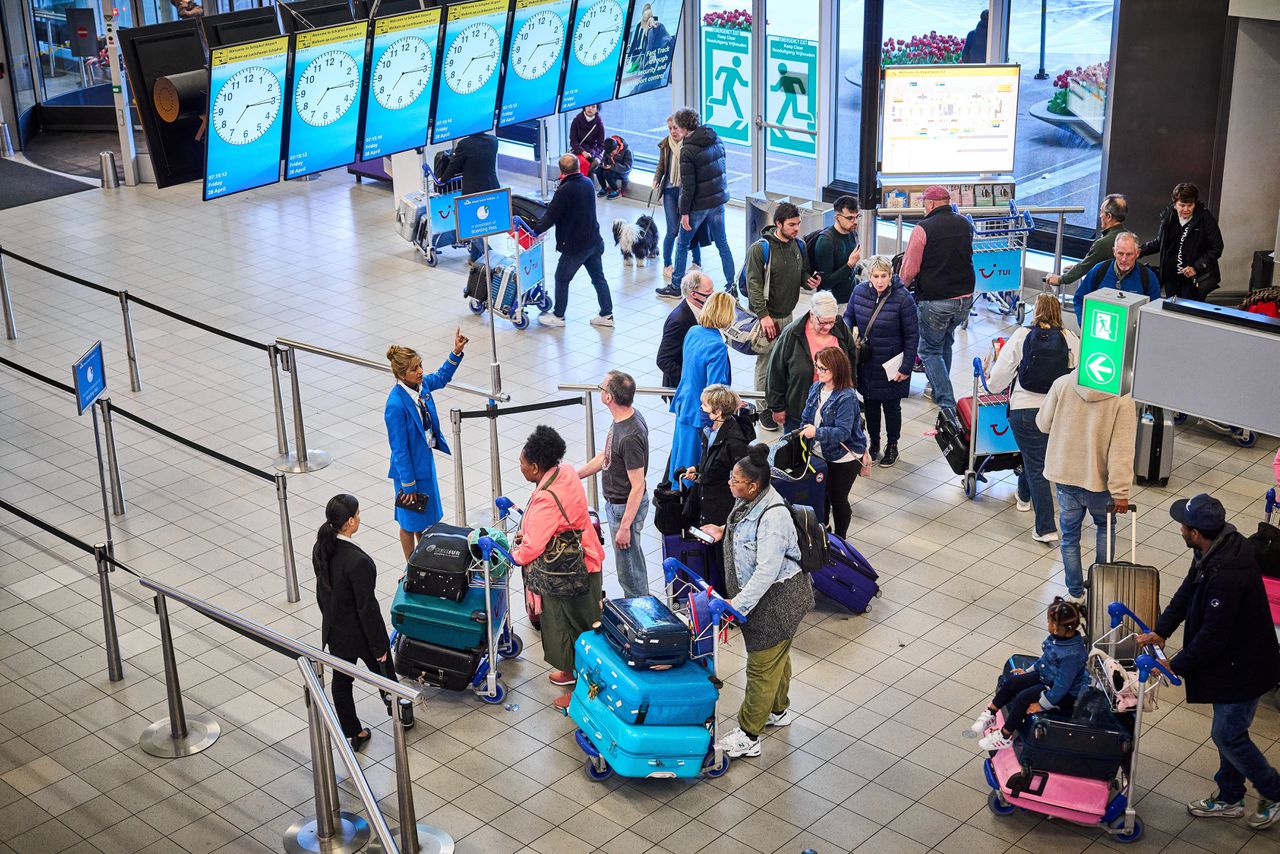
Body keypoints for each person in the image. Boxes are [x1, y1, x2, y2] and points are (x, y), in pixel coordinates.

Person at [1136, 494, 1280, 828]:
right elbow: (1187, 591)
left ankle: (1273, 791)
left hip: (1245, 668)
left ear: (1196, 533)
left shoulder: (1227, 574)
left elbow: (1214, 636)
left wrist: (1178, 663)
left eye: (1183, 526)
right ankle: (1230, 796)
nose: (1180, 529)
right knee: (1227, 731)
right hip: (1231, 663)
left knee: (1228, 734)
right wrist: (1161, 631)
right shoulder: (1214, 549)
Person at [700, 444, 814, 758]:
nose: (729, 483)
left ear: (753, 485)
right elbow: (747, 533)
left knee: (762, 666)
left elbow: (767, 570)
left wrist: (737, 605)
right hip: (768, 596)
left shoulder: (773, 516)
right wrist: (723, 531)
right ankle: (778, 710)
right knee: (779, 654)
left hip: (780, 600)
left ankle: (749, 735)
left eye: (735, 481)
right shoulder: (748, 501)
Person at [511, 426, 606, 710]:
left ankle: (583, 691)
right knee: (561, 622)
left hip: (571, 571)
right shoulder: (563, 472)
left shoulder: (545, 498)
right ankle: (568, 670)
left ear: (536, 467)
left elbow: (532, 548)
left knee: (579, 628)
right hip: (579, 559)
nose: (521, 468)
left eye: (523, 464)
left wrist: (513, 554)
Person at [311, 494, 403, 752]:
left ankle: (354, 731)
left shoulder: (321, 547)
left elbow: (323, 594)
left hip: (337, 633)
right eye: (358, 514)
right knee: (386, 677)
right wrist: (379, 646)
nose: (360, 518)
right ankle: (399, 716)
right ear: (350, 522)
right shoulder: (357, 561)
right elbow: (367, 609)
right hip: (363, 635)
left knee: (341, 683)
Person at [1036, 369, 1136, 604]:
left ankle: (1075, 593)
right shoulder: (1122, 397)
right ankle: (1100, 589)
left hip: (1065, 475)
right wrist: (1121, 491)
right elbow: (1122, 449)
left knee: (1069, 536)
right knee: (1104, 529)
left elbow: (1042, 423)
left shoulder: (1062, 383)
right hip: (1099, 482)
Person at [987, 293, 1081, 543]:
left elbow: (998, 380)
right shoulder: (1071, 339)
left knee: (1037, 464)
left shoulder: (1021, 335)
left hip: (1024, 410)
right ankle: (1024, 495)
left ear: (1035, 311)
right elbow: (1080, 379)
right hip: (1057, 412)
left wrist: (990, 385)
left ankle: (1046, 527)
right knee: (1037, 458)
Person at [385, 332, 468, 561]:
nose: (420, 371)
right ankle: (412, 564)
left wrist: (456, 352)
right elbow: (399, 449)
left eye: (420, 365)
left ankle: (426, 561)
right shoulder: (395, 405)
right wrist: (408, 485)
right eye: (414, 368)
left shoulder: (421, 387)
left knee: (425, 520)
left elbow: (441, 377)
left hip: (425, 465)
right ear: (402, 374)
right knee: (409, 522)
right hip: (408, 472)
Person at [972, 598, 1088, 751]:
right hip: (1046, 677)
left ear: (1054, 626)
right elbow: (1045, 660)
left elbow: (1062, 685)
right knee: (1013, 683)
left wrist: (1042, 704)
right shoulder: (1056, 639)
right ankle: (990, 713)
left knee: (1023, 697)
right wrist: (1027, 673)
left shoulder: (1072, 655)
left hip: (1061, 694)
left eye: (1048, 621)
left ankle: (1005, 736)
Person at [900, 185, 974, 415]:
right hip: (964, 298)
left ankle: (946, 400)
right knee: (946, 342)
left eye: (925, 203)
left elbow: (910, 268)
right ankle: (934, 387)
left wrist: (900, 287)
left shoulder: (923, 228)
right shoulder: (964, 223)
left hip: (936, 300)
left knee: (929, 350)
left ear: (930, 204)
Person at [577, 371, 650, 598]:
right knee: (630, 567)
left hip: (624, 508)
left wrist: (625, 528)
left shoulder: (629, 435)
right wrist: (575, 474)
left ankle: (641, 621)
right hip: (618, 506)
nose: (600, 390)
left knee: (630, 574)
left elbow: (637, 485)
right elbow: (606, 455)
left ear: (609, 397)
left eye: (602, 387)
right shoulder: (624, 419)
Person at [846, 256, 918, 468]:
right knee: (870, 405)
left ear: (891, 276)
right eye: (876, 276)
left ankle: (892, 445)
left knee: (891, 406)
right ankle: (874, 442)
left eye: (884, 276)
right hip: (867, 362)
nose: (880, 281)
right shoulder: (859, 292)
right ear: (869, 276)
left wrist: (906, 368)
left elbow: (913, 336)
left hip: (892, 364)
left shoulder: (903, 299)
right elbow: (849, 316)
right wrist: (849, 332)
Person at [747, 201, 823, 401]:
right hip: (767, 317)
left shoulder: (799, 244)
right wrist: (763, 316)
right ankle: (763, 407)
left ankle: (778, 402)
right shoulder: (761, 249)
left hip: (788, 315)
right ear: (778, 224)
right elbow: (753, 285)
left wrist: (809, 281)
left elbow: (802, 273)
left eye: (798, 224)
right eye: (791, 225)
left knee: (782, 362)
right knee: (765, 363)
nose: (796, 228)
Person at [534, 154, 614, 328]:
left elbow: (550, 217)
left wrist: (534, 230)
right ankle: (607, 314)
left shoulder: (564, 190)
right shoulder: (587, 182)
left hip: (576, 246)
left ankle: (559, 315)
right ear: (578, 167)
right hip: (594, 240)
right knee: (598, 278)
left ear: (562, 171)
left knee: (561, 278)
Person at [799, 347, 870, 539]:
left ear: (837, 370)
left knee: (837, 498)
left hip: (842, 457)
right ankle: (825, 532)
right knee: (821, 495)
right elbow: (806, 415)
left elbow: (843, 432)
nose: (819, 372)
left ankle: (841, 538)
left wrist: (816, 432)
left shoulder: (846, 397)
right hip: (818, 452)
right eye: (817, 367)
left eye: (824, 369)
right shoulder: (817, 387)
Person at [764, 291, 856, 434]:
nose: (828, 327)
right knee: (797, 454)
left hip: (836, 408)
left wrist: (852, 389)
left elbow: (851, 359)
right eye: (823, 322)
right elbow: (776, 371)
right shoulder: (792, 333)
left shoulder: (840, 327)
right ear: (812, 315)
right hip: (799, 409)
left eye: (831, 322)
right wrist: (777, 407)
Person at [667, 291, 736, 482]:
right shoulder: (717, 346)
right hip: (701, 415)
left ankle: (674, 500)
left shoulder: (693, 332)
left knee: (678, 463)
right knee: (692, 471)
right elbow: (715, 392)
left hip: (684, 405)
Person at [671, 108, 736, 292]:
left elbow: (688, 187)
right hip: (718, 201)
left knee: (682, 244)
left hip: (698, 205)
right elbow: (721, 168)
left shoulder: (687, 150)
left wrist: (684, 213)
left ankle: (676, 286)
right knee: (722, 243)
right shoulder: (716, 138)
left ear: (683, 127)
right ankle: (732, 285)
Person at [679, 384, 756, 528]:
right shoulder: (708, 431)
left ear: (718, 412)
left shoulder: (735, 443)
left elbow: (741, 481)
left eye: (705, 405)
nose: (701, 408)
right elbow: (716, 461)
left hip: (722, 512)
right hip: (707, 503)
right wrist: (699, 469)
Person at [1139, 183, 1225, 300]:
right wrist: (1139, 251)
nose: (1186, 209)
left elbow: (1217, 247)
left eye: (1190, 205)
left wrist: (1197, 267)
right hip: (1171, 278)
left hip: (1193, 280)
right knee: (1171, 310)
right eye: (1182, 205)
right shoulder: (1168, 215)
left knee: (1189, 313)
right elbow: (1160, 242)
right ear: (1175, 204)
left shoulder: (1205, 218)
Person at [437, 131, 499, 266]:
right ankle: (475, 257)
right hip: (491, 188)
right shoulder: (493, 141)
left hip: (473, 192)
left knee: (470, 227)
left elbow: (454, 166)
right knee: (483, 225)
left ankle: (488, 255)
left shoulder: (465, 145)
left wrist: (442, 180)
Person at [1073, 232, 1161, 326]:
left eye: (1129, 254)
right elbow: (1079, 299)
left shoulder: (1147, 277)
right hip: (1100, 331)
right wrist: (1084, 325)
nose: (1124, 259)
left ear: (1137, 253)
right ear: (1114, 252)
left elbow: (1154, 313)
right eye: (1120, 253)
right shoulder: (1099, 270)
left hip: (1132, 335)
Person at [654, 116, 702, 288]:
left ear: (683, 128)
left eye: (675, 128)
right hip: (669, 190)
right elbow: (661, 165)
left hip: (685, 191)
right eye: (670, 128)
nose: (673, 131)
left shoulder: (690, 145)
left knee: (689, 229)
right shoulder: (666, 144)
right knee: (672, 230)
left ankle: (697, 262)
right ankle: (667, 264)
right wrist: (657, 179)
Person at [1045, 194, 1128, 291]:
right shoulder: (1128, 237)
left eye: (1101, 211)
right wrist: (1078, 267)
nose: (1100, 215)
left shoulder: (1104, 243)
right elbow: (1090, 263)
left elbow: (1085, 267)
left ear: (1109, 216)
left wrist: (1060, 279)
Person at [656, 269, 714, 390]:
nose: (713, 295)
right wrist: (691, 381)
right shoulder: (678, 321)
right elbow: (663, 359)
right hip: (685, 389)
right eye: (708, 292)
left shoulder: (702, 309)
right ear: (693, 294)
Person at [811, 195, 862, 305]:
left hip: (850, 299)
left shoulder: (852, 232)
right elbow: (825, 283)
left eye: (857, 216)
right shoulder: (826, 241)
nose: (855, 221)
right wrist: (849, 265)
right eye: (850, 218)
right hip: (831, 303)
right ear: (837, 218)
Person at [569, 105, 607, 182]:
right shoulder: (576, 121)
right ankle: (582, 183)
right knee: (579, 164)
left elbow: (601, 145)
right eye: (588, 106)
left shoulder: (599, 124)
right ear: (584, 107)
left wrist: (591, 153)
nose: (590, 108)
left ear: (597, 109)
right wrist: (582, 151)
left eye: (593, 107)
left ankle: (578, 181)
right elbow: (573, 141)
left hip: (592, 152)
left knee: (595, 162)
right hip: (578, 149)